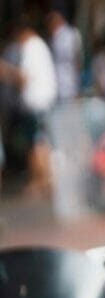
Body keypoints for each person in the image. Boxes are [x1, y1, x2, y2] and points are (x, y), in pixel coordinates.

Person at [0, 18, 58, 196]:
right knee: (40, 141)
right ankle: (43, 181)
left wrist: (5, 71)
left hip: (37, 103)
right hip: (43, 101)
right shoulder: (39, 46)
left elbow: (24, 78)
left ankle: (41, 182)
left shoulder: (31, 47)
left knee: (37, 143)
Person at [46, 11, 82, 103]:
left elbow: (77, 61)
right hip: (67, 83)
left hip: (65, 84)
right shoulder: (73, 33)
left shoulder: (61, 36)